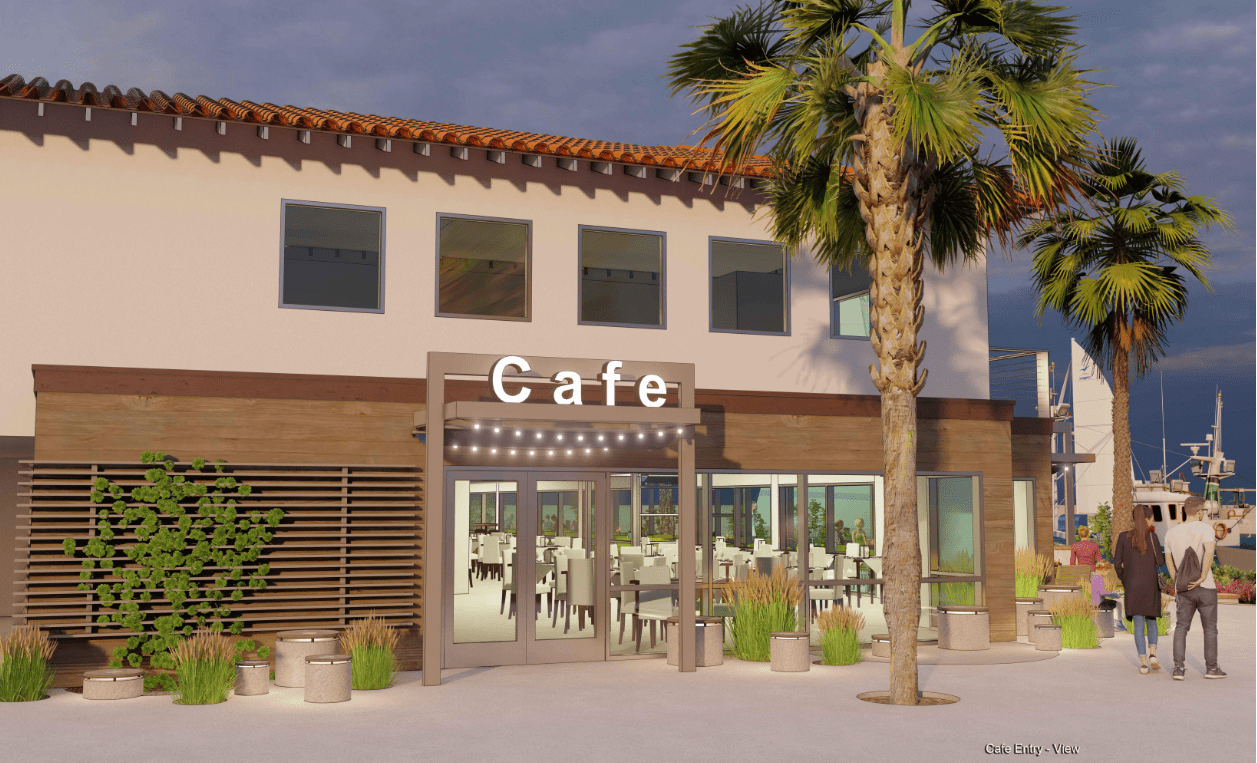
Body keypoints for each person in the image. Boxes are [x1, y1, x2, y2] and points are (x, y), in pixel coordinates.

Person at [1164, 495, 1225, 680]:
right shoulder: (1205, 529)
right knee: (1210, 629)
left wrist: (1177, 580)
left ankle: (1178, 669)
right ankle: (1212, 668)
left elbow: (1169, 560)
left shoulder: (1170, 533)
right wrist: (1202, 576)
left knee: (1181, 627)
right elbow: (1209, 552)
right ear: (1199, 512)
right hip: (1205, 587)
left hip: (1183, 589)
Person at [1113, 505, 1164, 674]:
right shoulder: (1152, 537)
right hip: (1150, 585)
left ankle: (1143, 662)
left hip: (1133, 585)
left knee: (1138, 624)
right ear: (1147, 519)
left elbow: (1116, 563)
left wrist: (1125, 579)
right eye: (1151, 518)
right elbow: (1161, 562)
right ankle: (1153, 655)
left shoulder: (1123, 537)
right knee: (1152, 621)